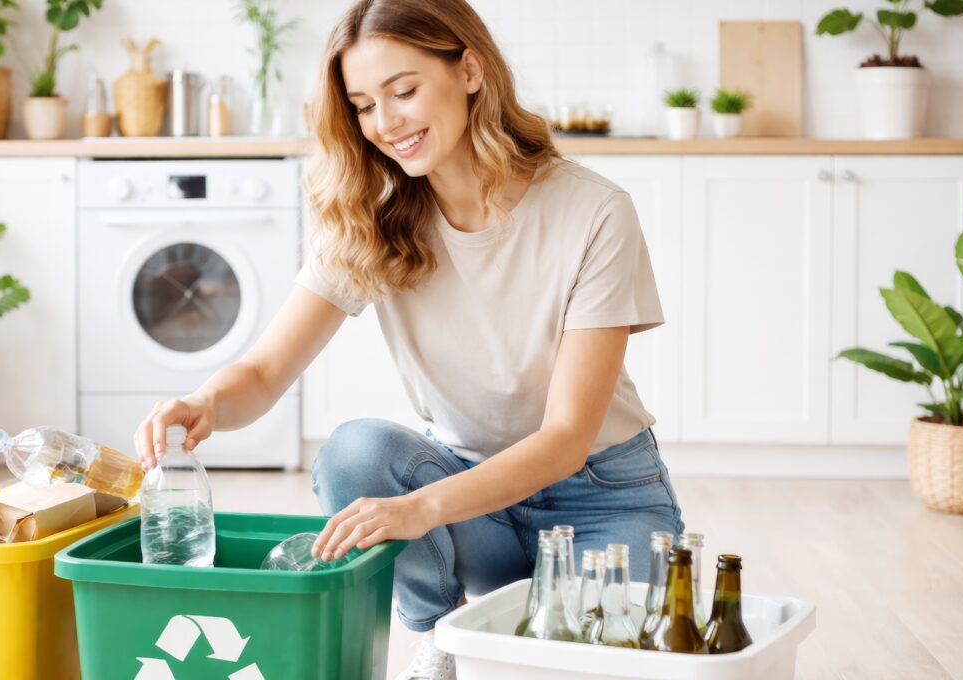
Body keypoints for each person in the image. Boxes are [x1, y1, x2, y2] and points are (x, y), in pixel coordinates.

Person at [133, 0, 683, 677]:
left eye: (404, 90)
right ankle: (442, 638)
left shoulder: (592, 210)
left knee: (581, 659)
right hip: (470, 501)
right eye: (363, 104)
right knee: (354, 454)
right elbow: (267, 370)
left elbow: (568, 435)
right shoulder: (373, 219)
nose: (385, 123)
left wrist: (416, 511)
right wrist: (207, 402)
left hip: (600, 495)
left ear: (471, 69)